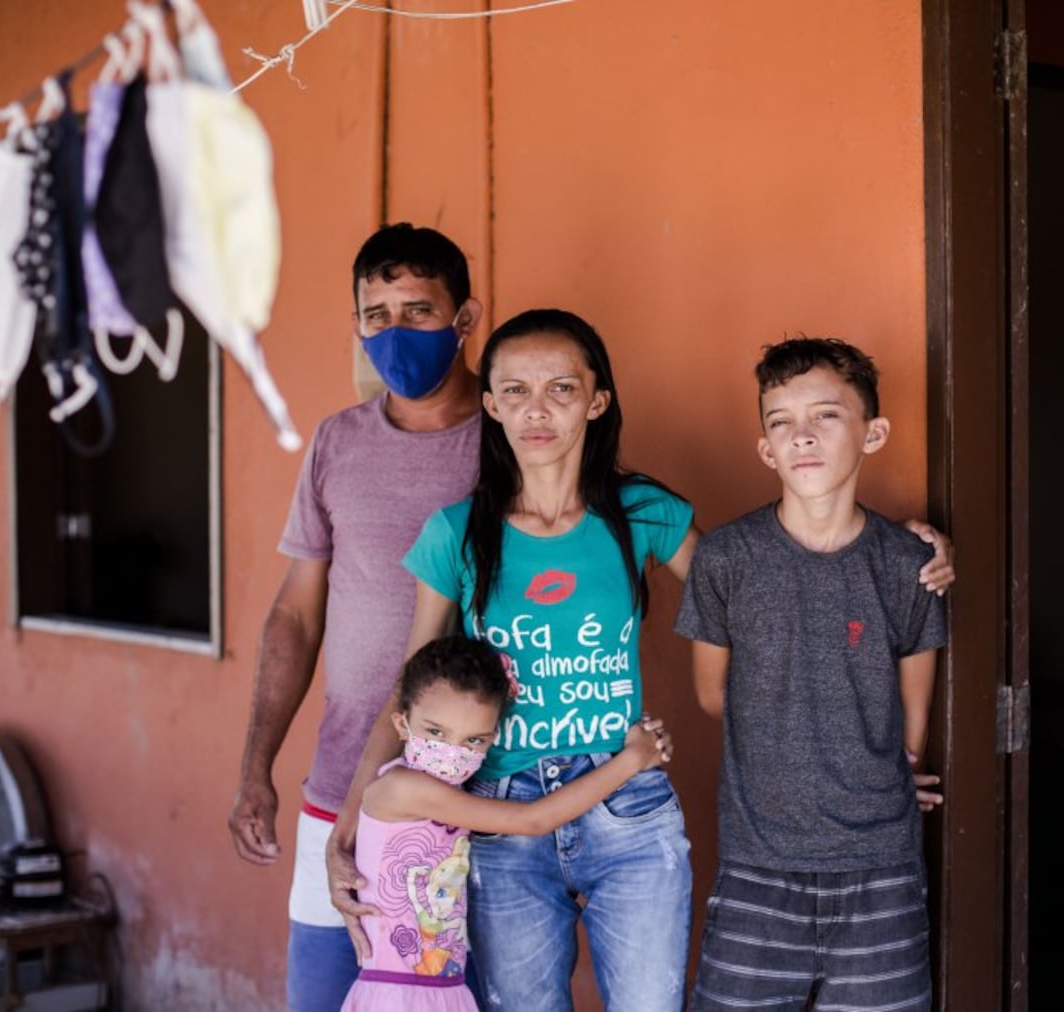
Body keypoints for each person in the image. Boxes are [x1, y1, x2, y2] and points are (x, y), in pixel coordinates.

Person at [333, 312, 954, 1010]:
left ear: (598, 400)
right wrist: (354, 815)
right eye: (514, 390)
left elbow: (759, 590)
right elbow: (412, 688)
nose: (536, 409)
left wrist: (902, 553)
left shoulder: (643, 512)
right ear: (491, 403)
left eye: (562, 387)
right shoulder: (457, 533)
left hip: (627, 807)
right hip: (501, 814)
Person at [228, 223, 485, 1012]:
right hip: (340, 790)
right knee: (325, 995)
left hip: (480, 798)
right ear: (356, 325)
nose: (395, 332)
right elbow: (296, 618)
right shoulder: (338, 443)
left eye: (418, 310)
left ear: (465, 319)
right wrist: (254, 769)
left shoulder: (517, 441)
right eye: (377, 314)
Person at [675, 337, 946, 1011]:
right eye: (781, 423)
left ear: (872, 433)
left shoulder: (908, 561)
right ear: (765, 448)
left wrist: (877, 773)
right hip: (756, 867)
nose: (802, 437)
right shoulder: (727, 559)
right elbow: (714, 696)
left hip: (879, 870)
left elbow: (911, 721)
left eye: (825, 416)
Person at [339, 635, 673, 1012]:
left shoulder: (452, 789)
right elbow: (533, 820)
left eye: (473, 740)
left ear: (493, 739)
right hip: (399, 995)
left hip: (444, 988)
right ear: (402, 723)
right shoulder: (402, 788)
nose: (452, 751)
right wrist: (631, 760)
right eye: (435, 732)